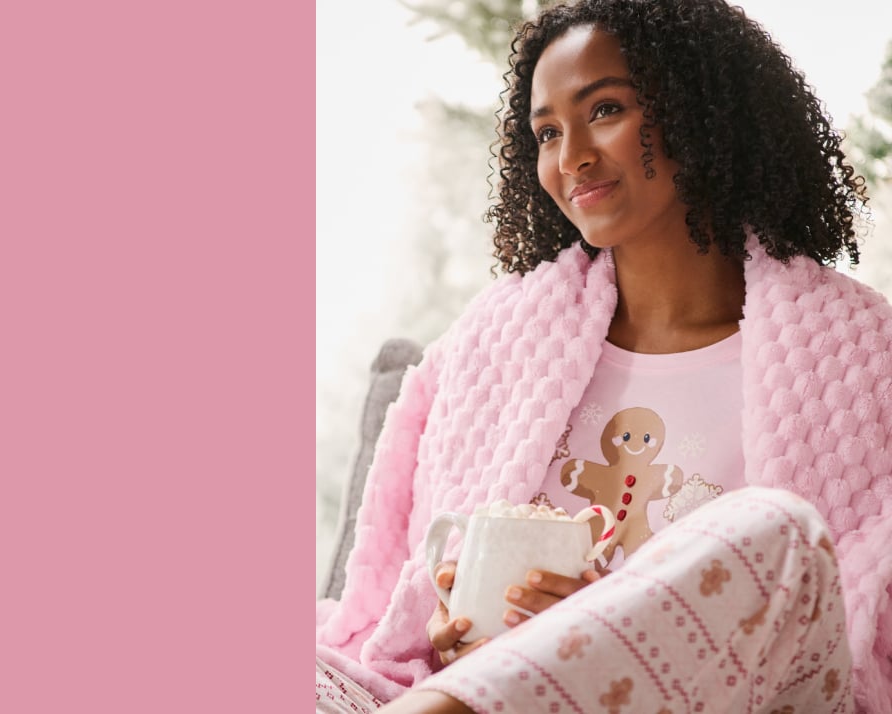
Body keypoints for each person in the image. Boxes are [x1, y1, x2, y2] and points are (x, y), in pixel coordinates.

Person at [315, 0, 892, 712]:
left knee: (781, 529)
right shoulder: (497, 341)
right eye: (547, 131)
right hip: (481, 698)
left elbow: (837, 633)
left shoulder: (861, 360)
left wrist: (601, 632)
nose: (571, 157)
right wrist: (446, 625)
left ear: (696, 108)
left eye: (606, 109)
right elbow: (405, 608)